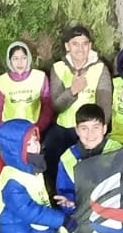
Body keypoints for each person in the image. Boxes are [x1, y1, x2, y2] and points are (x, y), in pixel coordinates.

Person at [0, 119, 78, 233]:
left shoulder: (32, 166)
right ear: (15, 149)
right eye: (28, 144)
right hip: (19, 232)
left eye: (36, 140)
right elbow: (29, 211)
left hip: (39, 227)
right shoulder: (12, 180)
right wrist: (61, 219)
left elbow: (40, 199)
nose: (36, 146)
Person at [46, 25, 114, 177]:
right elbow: (57, 105)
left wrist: (98, 130)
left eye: (84, 44)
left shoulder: (100, 68)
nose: (80, 49)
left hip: (89, 129)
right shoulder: (58, 68)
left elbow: (105, 105)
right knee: (55, 163)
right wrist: (72, 91)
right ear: (67, 46)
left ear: (90, 45)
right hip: (64, 129)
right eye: (75, 44)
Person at [53, 105, 121, 224]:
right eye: (84, 128)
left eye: (96, 127)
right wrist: (69, 205)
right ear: (77, 130)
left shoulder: (118, 151)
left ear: (104, 129)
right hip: (83, 218)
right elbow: (66, 192)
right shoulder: (68, 158)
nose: (90, 134)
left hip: (114, 215)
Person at [0, 41, 54, 129]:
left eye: (23, 58)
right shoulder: (2, 81)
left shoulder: (40, 77)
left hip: (34, 127)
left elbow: (47, 105)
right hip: (10, 129)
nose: (20, 63)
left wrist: (39, 127)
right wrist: (3, 127)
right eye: (15, 58)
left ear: (28, 58)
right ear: (9, 60)